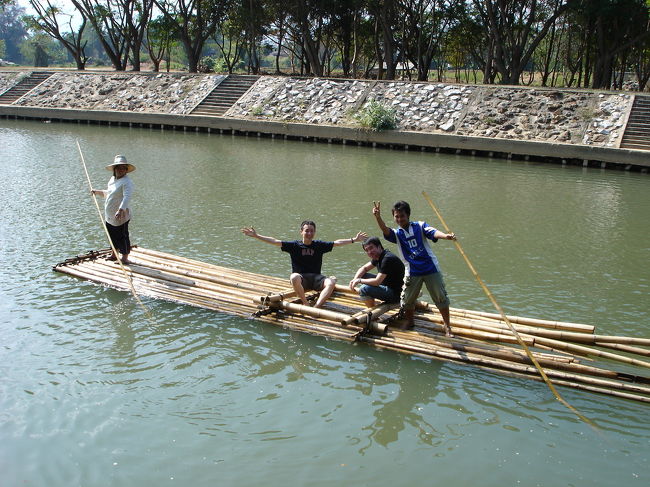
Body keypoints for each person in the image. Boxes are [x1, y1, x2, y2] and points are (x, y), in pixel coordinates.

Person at [372, 200, 456, 336]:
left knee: (440, 297)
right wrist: (378, 217)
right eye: (396, 216)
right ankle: (410, 321)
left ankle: (447, 326)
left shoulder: (420, 226)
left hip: (431, 268)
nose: (399, 219)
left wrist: (446, 236)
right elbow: (385, 229)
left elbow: (433, 232)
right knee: (407, 299)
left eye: (402, 216)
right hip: (412, 271)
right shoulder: (397, 234)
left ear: (408, 215)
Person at [242, 221, 367, 308]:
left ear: (315, 232)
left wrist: (353, 240)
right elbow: (275, 241)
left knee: (330, 283)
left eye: (312, 231)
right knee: (293, 277)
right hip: (301, 279)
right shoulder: (294, 246)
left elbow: (337, 243)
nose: (309, 233)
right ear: (301, 232)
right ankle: (305, 304)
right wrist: (256, 236)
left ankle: (317, 306)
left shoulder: (319, 245)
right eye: (306, 231)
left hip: (316, 278)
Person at [91, 155, 135, 265]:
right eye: (118, 168)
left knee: (122, 236)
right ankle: (114, 254)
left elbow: (127, 197)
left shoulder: (127, 182)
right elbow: (109, 194)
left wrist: (120, 210)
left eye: (123, 168)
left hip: (121, 215)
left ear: (126, 170)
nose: (121, 170)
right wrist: (97, 192)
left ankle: (125, 257)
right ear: (114, 169)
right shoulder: (112, 179)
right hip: (110, 214)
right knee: (112, 235)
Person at [349, 237, 405, 308]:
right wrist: (355, 279)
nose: (369, 252)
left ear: (379, 246)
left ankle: (373, 312)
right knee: (362, 275)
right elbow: (364, 268)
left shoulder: (387, 258)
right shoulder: (378, 256)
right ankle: (372, 301)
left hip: (396, 293)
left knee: (364, 289)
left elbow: (377, 282)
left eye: (371, 248)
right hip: (387, 284)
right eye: (367, 250)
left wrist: (359, 280)